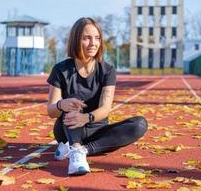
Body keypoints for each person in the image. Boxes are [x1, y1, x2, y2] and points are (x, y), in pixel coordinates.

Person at [46, 17, 148, 176]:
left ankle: (80, 150)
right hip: (67, 128)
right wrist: (62, 104)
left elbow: (105, 108)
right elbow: (51, 110)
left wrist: (86, 118)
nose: (93, 43)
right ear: (76, 40)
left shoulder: (107, 70)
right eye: (87, 38)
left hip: (96, 128)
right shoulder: (61, 69)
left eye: (97, 38)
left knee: (140, 124)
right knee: (72, 106)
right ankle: (76, 154)